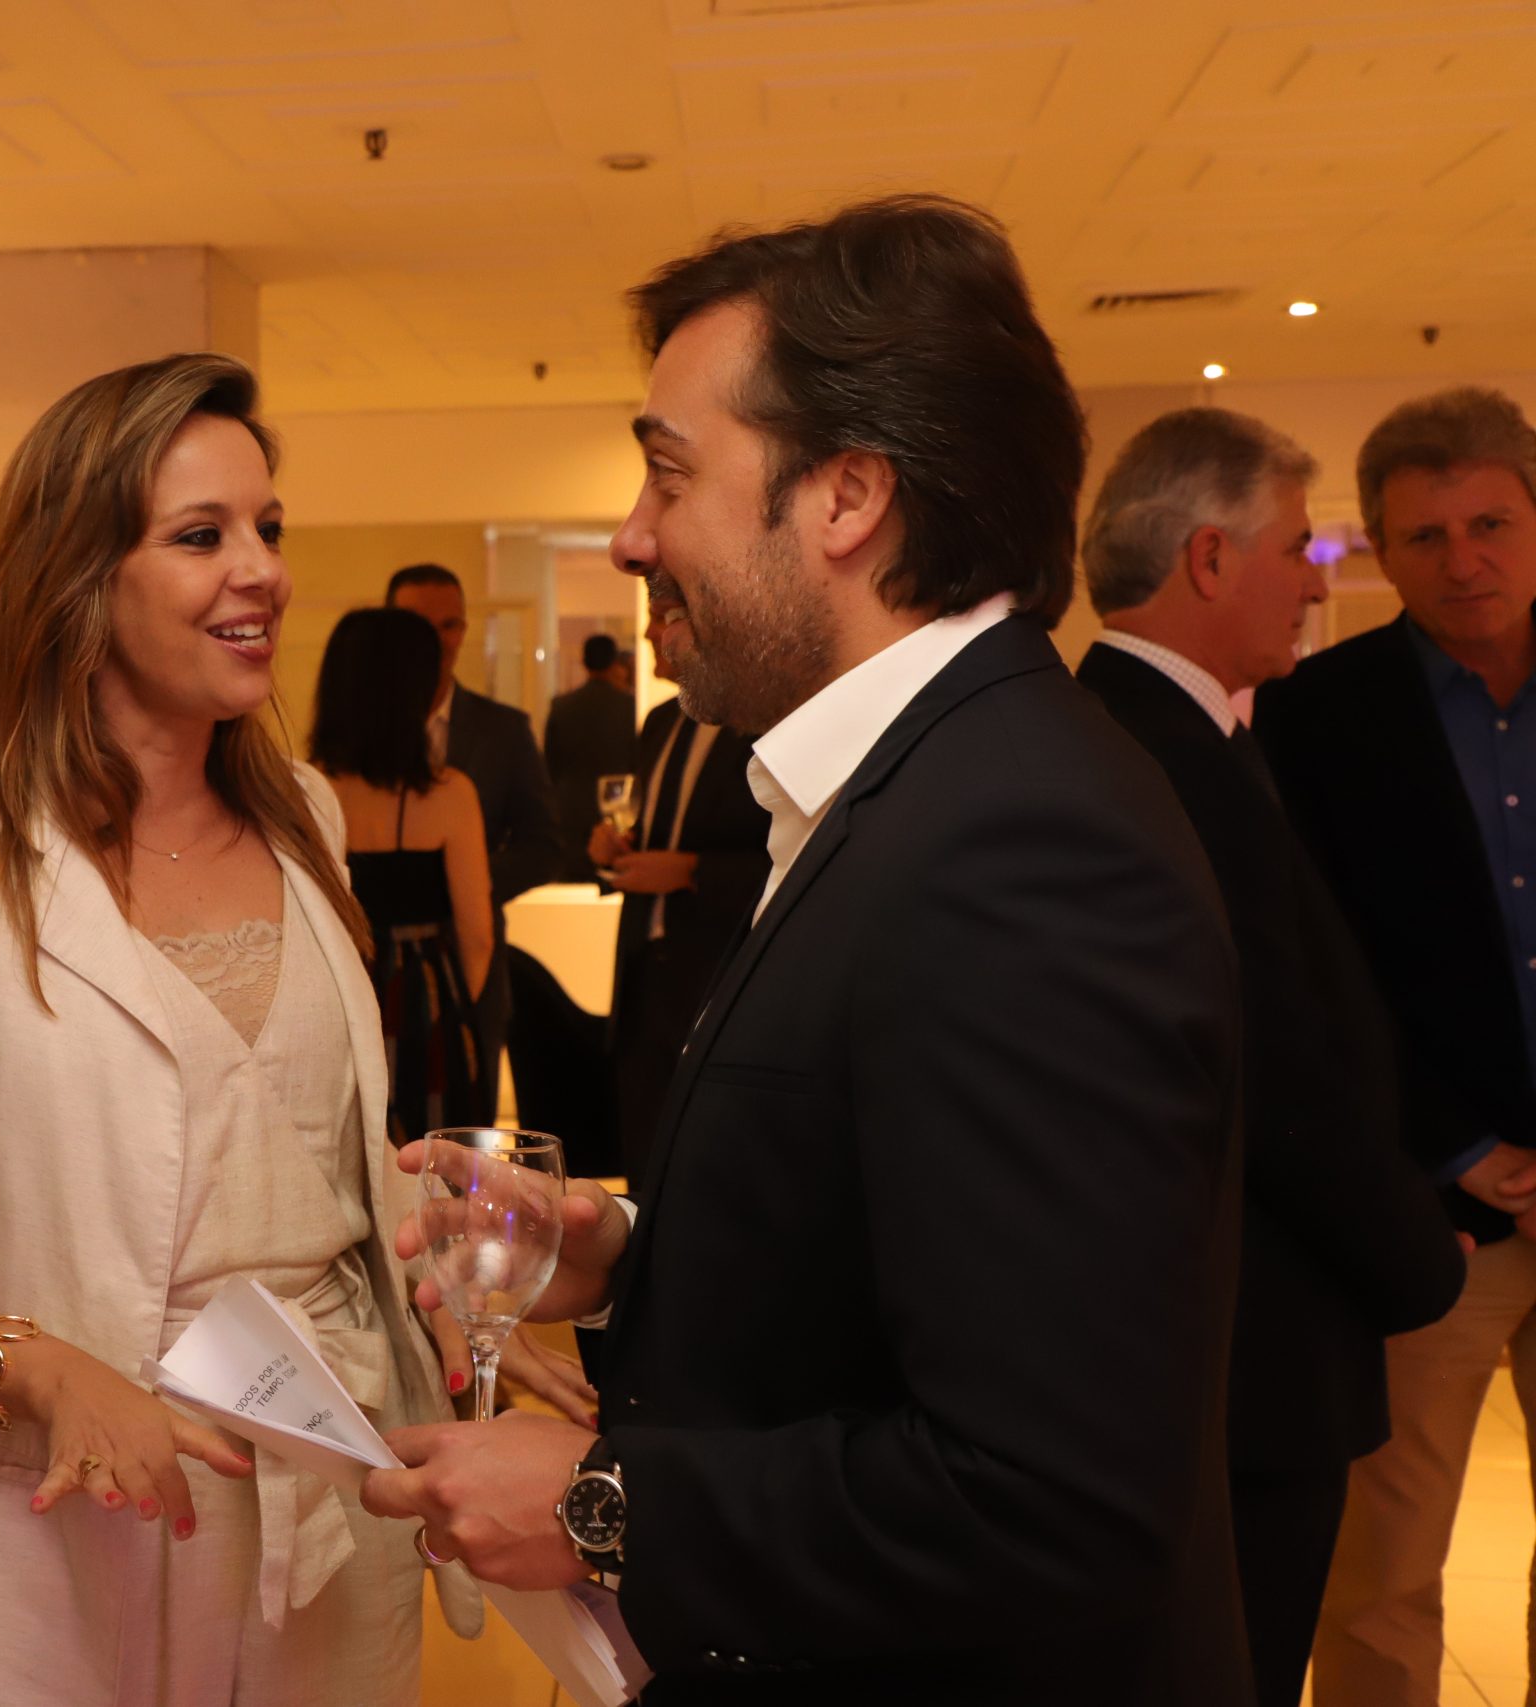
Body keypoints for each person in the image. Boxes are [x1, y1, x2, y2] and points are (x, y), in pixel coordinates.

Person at [360, 195, 1253, 1706]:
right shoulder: (908, 786)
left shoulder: (1019, 839)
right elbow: (902, 1244)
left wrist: (600, 1502)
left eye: (669, 474)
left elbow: (1053, 1492)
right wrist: (626, 1246)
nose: (635, 536)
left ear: (847, 496)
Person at [0, 353, 496, 1707]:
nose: (263, 569)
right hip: (54, 1539)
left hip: (325, 1501)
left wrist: (430, 1264)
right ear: (77, 576)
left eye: (268, 527)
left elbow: (285, 1143)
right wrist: (32, 1369)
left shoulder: (305, 816)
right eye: (201, 535)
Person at [1075, 406, 1468, 1707]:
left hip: (1238, 1340)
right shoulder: (1160, 752)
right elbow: (1272, 1065)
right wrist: (1418, 1250)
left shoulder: (1175, 732)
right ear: (1208, 557)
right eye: (1299, 548)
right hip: (1248, 1345)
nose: (1315, 578)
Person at [1256, 386, 1536, 1707]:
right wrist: (1458, 1145)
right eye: (1424, 535)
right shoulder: (1316, 718)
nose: (1461, 559)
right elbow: (1317, 979)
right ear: (1375, 544)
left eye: (1489, 524)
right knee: (1382, 1574)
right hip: (1433, 1214)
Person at [590, 605, 769, 1180]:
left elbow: (787, 862)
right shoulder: (660, 722)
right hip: (642, 977)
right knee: (645, 1161)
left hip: (719, 975)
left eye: (661, 617)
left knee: (713, 1167)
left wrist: (690, 871)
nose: (647, 633)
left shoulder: (764, 721)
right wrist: (615, 848)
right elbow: (657, 831)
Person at [310, 606, 495, 1140]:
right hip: (426, 999)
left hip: (338, 992)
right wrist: (450, 1004)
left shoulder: (304, 790)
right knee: (436, 1163)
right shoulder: (450, 793)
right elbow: (478, 937)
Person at [386, 562, 561, 1116]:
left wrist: (466, 884)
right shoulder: (360, 737)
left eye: (450, 625)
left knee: (465, 1125)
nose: (437, 642)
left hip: (473, 963)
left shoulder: (503, 729)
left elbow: (543, 846)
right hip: (378, 964)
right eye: (420, 625)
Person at [545, 633, 638, 880]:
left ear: (584, 663)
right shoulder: (629, 707)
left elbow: (551, 765)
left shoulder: (561, 706)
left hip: (570, 807)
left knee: (571, 882)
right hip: (615, 807)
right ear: (614, 663)